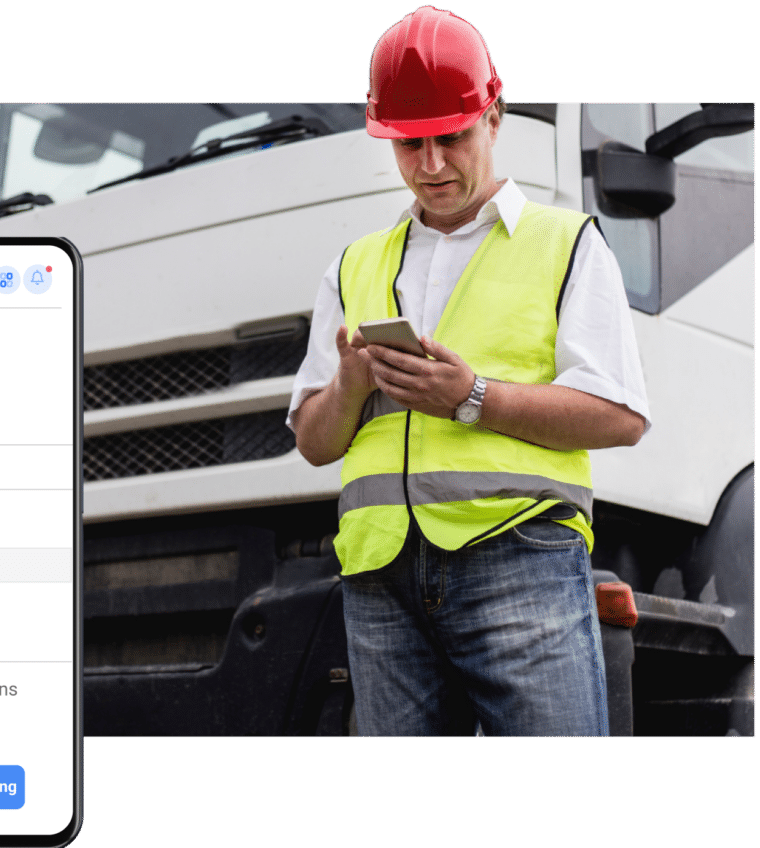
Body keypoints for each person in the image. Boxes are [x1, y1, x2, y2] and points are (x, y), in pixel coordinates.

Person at [287, 6, 650, 736]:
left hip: (518, 555)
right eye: (409, 144)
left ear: (494, 114)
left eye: (449, 139)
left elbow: (621, 416)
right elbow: (314, 442)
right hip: (378, 578)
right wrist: (351, 386)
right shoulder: (354, 265)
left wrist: (473, 397)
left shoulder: (567, 244)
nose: (429, 166)